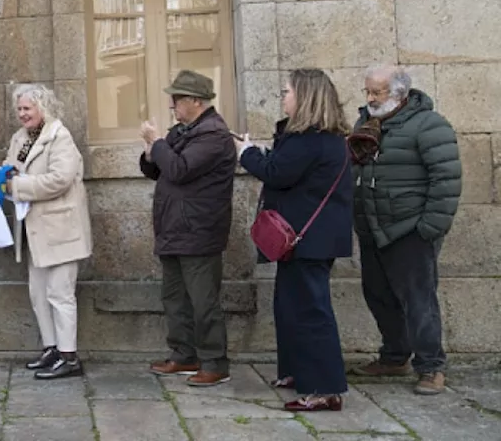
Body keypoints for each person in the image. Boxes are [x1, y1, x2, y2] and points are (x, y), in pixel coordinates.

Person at [238, 69, 354, 412]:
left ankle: (323, 389)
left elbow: (276, 171)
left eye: (286, 92)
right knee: (290, 308)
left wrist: (246, 152)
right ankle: (296, 372)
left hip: (307, 239)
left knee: (310, 313)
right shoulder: (317, 137)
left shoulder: (311, 139)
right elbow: (284, 166)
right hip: (306, 239)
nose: (282, 97)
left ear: (305, 96)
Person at [350, 65, 461, 396]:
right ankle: (394, 356)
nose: (370, 98)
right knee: (379, 295)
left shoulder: (430, 125)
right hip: (373, 225)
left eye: (377, 92)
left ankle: (431, 366)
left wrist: (430, 228)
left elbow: (447, 180)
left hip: (410, 229)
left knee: (418, 300)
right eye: (367, 91)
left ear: (399, 93)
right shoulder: (366, 123)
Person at [139, 70, 237, 387]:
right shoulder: (184, 131)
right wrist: (149, 149)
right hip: (174, 229)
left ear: (196, 101)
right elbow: (157, 169)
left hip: (198, 231)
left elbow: (179, 169)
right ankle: (184, 355)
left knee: (203, 301)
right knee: (175, 298)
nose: (172, 105)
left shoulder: (213, 135)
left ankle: (215, 362)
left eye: (177, 99)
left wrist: (157, 142)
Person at [3, 84, 93, 380]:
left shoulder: (60, 136)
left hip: (62, 229)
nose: (22, 114)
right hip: (35, 230)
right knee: (38, 292)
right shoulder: (20, 138)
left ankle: (70, 357)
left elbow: (60, 179)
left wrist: (18, 186)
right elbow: (8, 170)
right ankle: (52, 349)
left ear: (43, 107)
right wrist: (1, 180)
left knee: (60, 293)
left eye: (27, 108)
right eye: (19, 109)